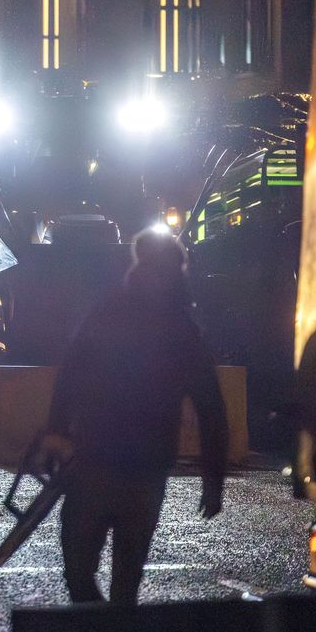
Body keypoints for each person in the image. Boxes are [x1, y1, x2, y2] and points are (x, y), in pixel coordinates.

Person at [41, 227, 228, 604]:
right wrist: (213, 479)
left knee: (79, 565)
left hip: (99, 456)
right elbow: (211, 408)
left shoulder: (110, 311)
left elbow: (71, 373)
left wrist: (58, 430)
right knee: (126, 576)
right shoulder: (182, 329)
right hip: (145, 466)